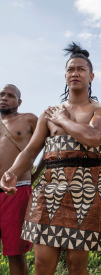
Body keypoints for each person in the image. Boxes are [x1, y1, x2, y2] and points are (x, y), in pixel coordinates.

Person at [1, 42, 101, 275]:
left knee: (76, 264)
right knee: (42, 264)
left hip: (87, 188)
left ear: (91, 76)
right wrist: (12, 172)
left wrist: (63, 120)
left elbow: (93, 137)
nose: (75, 73)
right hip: (50, 189)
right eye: (71, 69)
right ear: (65, 75)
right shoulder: (49, 113)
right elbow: (31, 151)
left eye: (81, 69)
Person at [0, 84, 43, 275]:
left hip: (17, 191)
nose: (4, 98)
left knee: (15, 253)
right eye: (1, 94)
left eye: (10, 95)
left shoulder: (29, 119)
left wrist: (34, 175)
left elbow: (49, 148)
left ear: (19, 101)